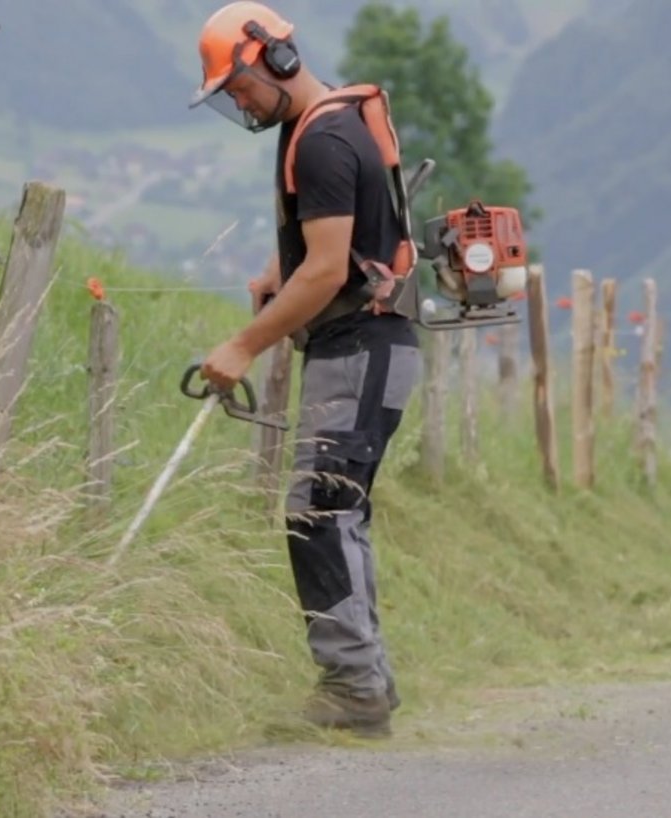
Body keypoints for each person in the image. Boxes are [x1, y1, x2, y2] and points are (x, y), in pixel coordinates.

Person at [189, 1, 422, 738]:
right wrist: (273, 269)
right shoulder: (314, 127)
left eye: (238, 86)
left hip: (361, 344)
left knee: (318, 511)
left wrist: (242, 346)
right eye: (227, 93)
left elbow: (325, 275)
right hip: (365, 347)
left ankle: (354, 690)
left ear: (275, 60)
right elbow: (327, 241)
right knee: (334, 510)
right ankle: (364, 682)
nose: (238, 100)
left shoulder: (322, 139)